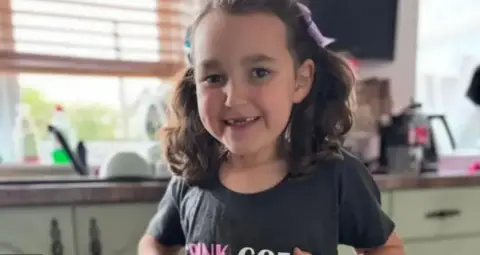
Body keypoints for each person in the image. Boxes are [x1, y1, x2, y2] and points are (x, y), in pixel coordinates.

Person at [138, 0, 404, 254]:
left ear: (300, 80)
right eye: (214, 78)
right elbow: (153, 244)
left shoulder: (336, 176)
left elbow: (386, 248)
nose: (233, 98)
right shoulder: (192, 176)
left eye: (259, 72)